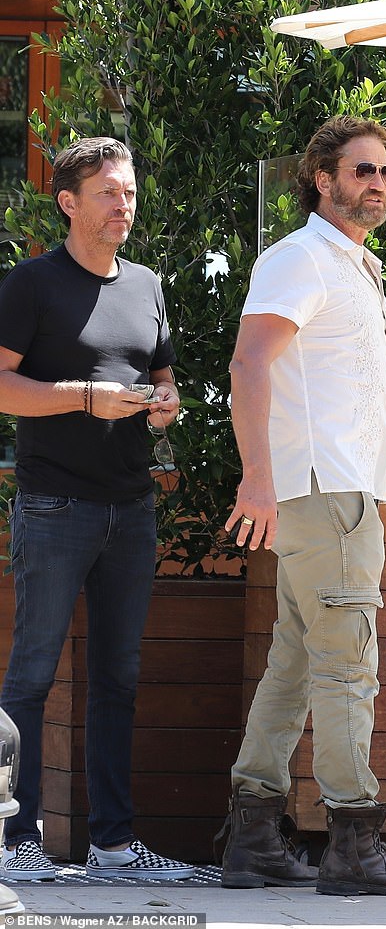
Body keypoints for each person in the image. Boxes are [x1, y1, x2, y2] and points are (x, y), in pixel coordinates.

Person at [221, 115, 386, 897]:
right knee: (348, 666)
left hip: (336, 490)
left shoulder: (351, 264)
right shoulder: (302, 258)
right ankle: (352, 843)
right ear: (322, 178)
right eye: (362, 170)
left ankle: (254, 836)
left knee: (300, 662)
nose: (377, 183)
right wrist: (257, 478)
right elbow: (249, 364)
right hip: (326, 492)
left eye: (385, 172)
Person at [0, 137, 194, 882]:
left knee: (119, 679)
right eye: (109, 192)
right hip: (54, 505)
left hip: (131, 507)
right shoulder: (31, 284)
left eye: (130, 191)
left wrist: (164, 404)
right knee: (30, 677)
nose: (124, 204)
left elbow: (164, 378)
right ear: (68, 202)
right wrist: (84, 397)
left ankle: (114, 845)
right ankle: (14, 841)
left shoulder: (146, 285)